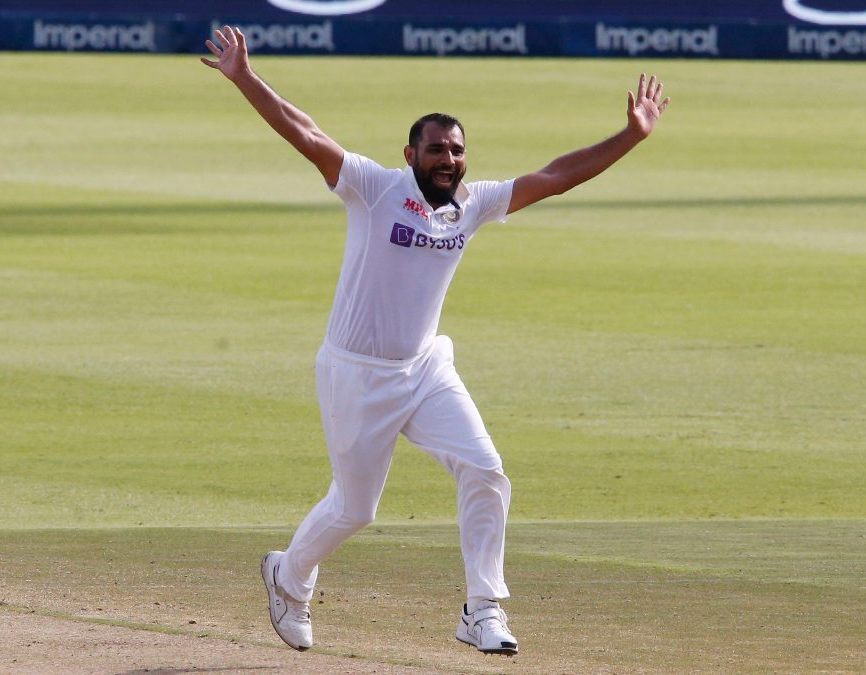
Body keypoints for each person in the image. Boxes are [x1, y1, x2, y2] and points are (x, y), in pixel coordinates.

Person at [201, 25, 669, 656]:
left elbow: (554, 176)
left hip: (424, 369)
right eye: (436, 150)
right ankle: (289, 575)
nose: (448, 159)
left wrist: (631, 136)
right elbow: (306, 134)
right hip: (355, 373)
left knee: (485, 470)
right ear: (410, 153)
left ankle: (482, 609)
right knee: (355, 510)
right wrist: (245, 77)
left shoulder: (472, 205)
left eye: (456, 150)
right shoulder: (374, 188)